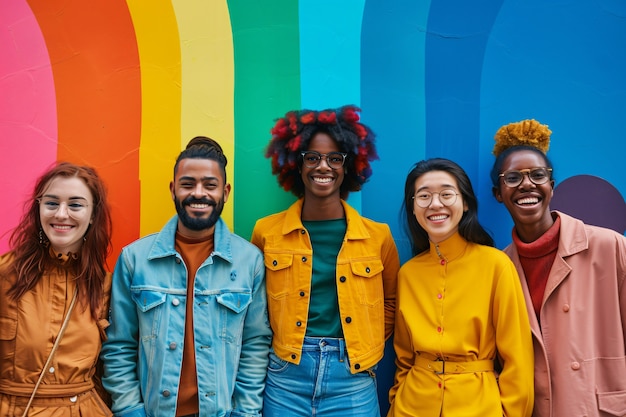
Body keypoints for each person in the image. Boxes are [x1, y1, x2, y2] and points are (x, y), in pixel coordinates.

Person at [100, 137, 271, 417]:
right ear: (173, 189)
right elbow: (119, 345)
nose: (199, 193)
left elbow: (255, 345)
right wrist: (130, 409)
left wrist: (246, 412)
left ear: (225, 192)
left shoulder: (249, 260)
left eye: (210, 185)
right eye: (188, 184)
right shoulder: (135, 258)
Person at [251, 105, 400, 417]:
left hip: (352, 379)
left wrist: (365, 342)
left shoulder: (378, 236)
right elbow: (255, 305)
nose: (324, 166)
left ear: (349, 166)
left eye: (335, 158)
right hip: (285, 377)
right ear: (296, 162)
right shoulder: (267, 232)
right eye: (312, 157)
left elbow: (391, 301)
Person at [490, 119, 626, 417]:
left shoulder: (609, 246)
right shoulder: (498, 267)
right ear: (498, 193)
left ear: (551, 187)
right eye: (512, 178)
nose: (527, 184)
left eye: (538, 175)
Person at [388, 158, 534, 417]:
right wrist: (397, 398)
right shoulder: (408, 273)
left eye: (446, 194)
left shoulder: (496, 265)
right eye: (423, 196)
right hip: (411, 406)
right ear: (412, 207)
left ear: (465, 203)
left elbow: (518, 358)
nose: (435, 204)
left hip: (478, 406)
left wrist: (510, 412)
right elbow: (403, 358)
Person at [0, 162, 113, 416]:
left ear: (93, 214)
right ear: (38, 209)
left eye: (75, 205)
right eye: (51, 203)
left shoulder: (105, 286)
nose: (61, 214)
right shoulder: (5, 276)